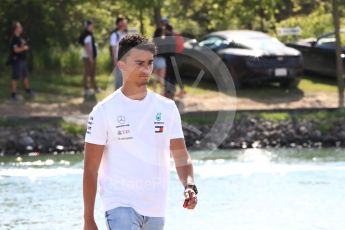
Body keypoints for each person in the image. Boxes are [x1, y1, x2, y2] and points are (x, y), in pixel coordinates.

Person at [83, 34, 198, 230]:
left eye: (149, 63)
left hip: (155, 209)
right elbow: (90, 169)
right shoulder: (103, 111)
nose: (146, 69)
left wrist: (189, 185)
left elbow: (181, 157)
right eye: (139, 63)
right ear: (121, 65)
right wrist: (88, 219)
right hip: (119, 206)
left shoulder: (167, 108)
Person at [8, 21, 33, 101]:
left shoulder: (20, 38)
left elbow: (23, 46)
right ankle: (13, 95)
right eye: (19, 27)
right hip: (16, 61)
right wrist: (24, 48)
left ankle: (28, 91)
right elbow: (15, 50)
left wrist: (25, 47)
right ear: (16, 29)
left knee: (25, 76)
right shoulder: (14, 39)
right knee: (15, 78)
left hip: (23, 60)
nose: (21, 28)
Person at [79, 20, 100, 97]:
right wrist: (91, 57)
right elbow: (88, 47)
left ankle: (94, 87)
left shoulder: (89, 35)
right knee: (87, 73)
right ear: (88, 26)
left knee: (92, 73)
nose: (93, 27)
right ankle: (86, 89)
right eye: (91, 25)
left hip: (91, 57)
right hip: (88, 57)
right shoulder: (87, 35)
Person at [109, 17, 128, 90]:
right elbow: (113, 49)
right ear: (120, 24)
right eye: (124, 23)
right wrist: (115, 61)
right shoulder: (114, 35)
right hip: (119, 59)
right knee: (118, 81)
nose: (126, 24)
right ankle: (117, 98)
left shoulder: (125, 34)